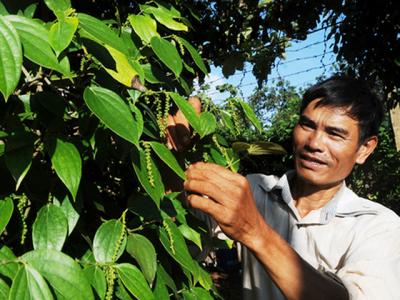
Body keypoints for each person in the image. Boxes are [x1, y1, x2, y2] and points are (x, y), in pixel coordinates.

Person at [165, 76, 400, 300]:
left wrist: (254, 231)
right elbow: (182, 243)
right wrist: (173, 156)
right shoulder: (255, 190)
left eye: (335, 134)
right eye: (307, 125)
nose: (314, 143)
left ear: (364, 148)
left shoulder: (379, 226)